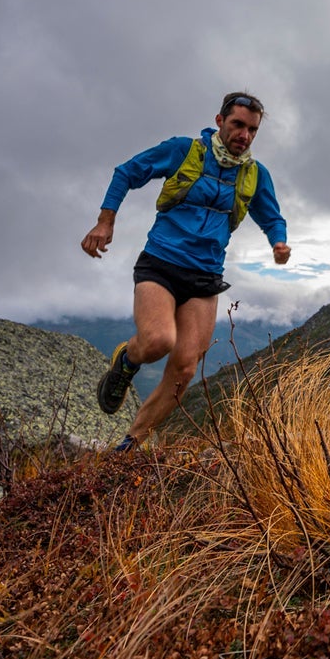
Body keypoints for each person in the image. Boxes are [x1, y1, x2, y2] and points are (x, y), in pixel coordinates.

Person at [81, 91, 290, 451]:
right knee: (158, 341)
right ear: (220, 121)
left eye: (253, 130)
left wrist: (279, 242)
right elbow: (128, 172)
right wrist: (105, 222)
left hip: (204, 276)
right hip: (161, 263)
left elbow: (270, 214)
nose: (245, 135)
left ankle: (129, 445)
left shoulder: (254, 174)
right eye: (238, 125)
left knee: (185, 368)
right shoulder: (186, 151)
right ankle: (126, 360)